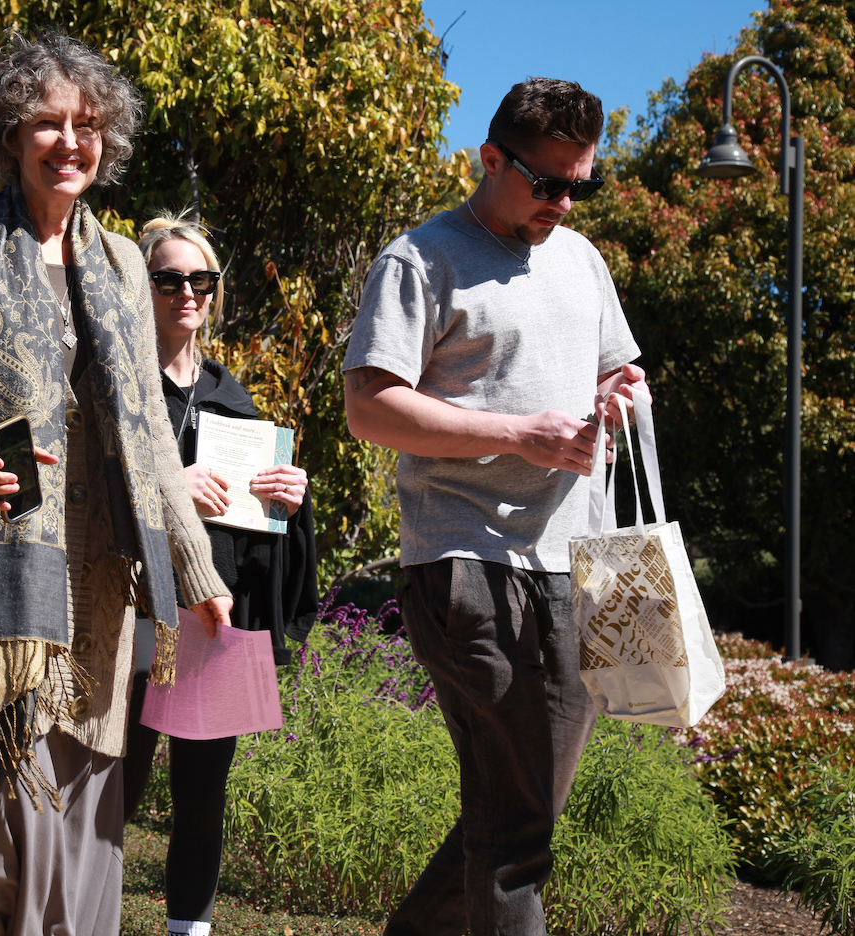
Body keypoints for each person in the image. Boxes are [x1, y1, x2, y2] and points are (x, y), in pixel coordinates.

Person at [0, 33, 231, 936]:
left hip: (100, 590)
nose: (71, 142)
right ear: (10, 134)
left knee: (82, 833)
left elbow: (148, 435)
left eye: (88, 125)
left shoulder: (121, 266)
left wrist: (196, 573)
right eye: (47, 123)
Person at [342, 78, 649, 936]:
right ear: (490, 159)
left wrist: (620, 396)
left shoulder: (582, 261)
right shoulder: (420, 259)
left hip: (577, 563)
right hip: (465, 561)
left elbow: (618, 373)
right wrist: (519, 434)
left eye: (581, 184)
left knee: (526, 811)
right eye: (546, 183)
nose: (563, 203)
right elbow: (368, 409)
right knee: (516, 820)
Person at [123, 212, 319, 936]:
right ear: (139, 287)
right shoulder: (118, 387)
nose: (187, 293)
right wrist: (172, 483)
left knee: (204, 797)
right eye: (168, 279)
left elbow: (264, 536)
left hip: (214, 616)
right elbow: (83, 492)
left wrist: (292, 501)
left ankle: (190, 930)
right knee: (113, 790)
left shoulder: (234, 403)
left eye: (201, 280)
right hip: (131, 613)